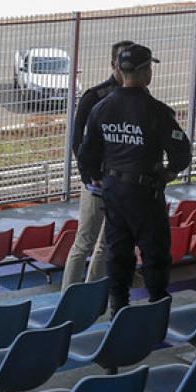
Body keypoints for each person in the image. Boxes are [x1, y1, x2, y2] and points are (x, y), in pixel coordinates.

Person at [77, 44, 192, 315]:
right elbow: (181, 150)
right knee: (154, 252)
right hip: (145, 192)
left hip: (114, 191)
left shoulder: (101, 107)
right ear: (146, 72)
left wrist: (97, 178)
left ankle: (118, 306)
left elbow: (86, 153)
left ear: (119, 70)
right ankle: (157, 306)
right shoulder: (156, 111)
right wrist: (170, 172)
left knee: (118, 250)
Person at [61, 39, 134, 290]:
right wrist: (90, 177)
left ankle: (92, 295)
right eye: (124, 61)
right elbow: (77, 142)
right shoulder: (94, 96)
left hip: (123, 183)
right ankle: (69, 296)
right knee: (84, 242)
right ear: (113, 64)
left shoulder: (139, 98)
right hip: (97, 183)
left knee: (106, 244)